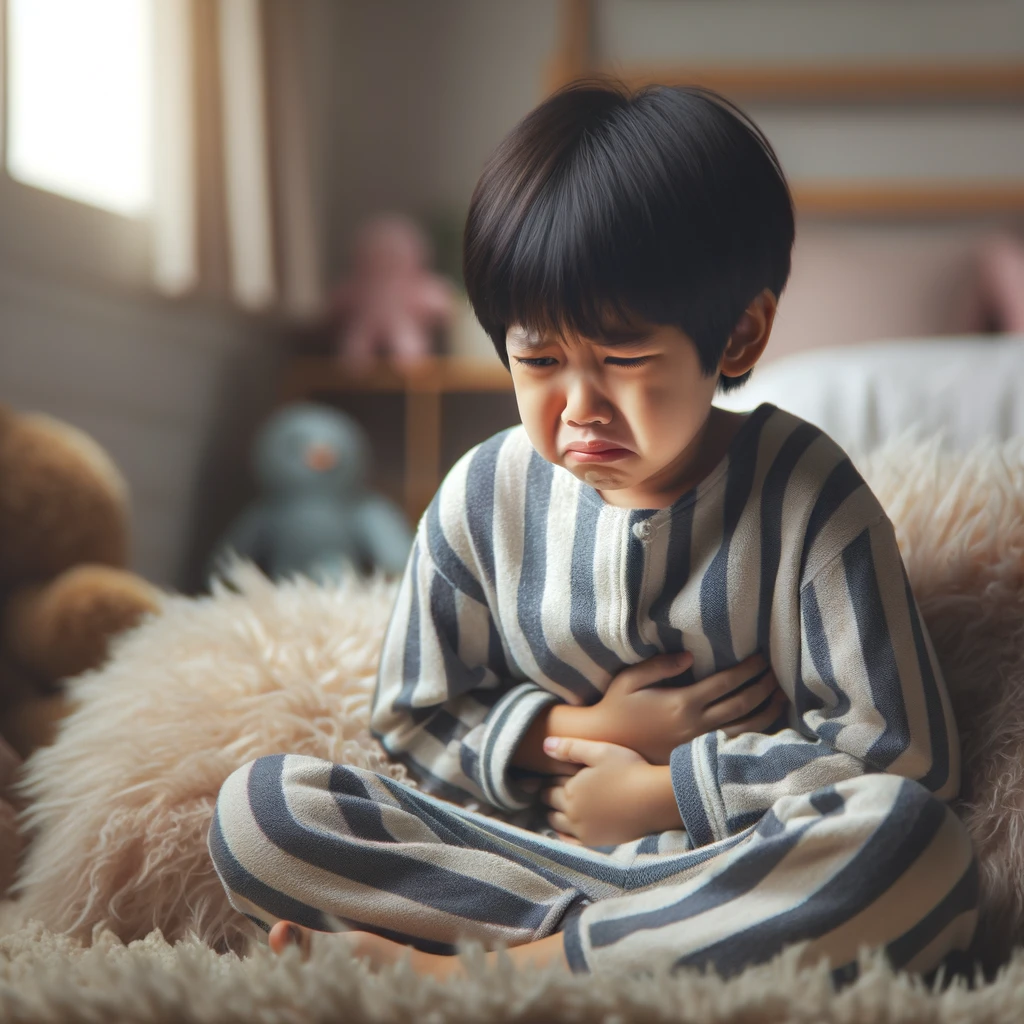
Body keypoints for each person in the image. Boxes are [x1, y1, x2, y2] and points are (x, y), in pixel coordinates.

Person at [208, 80, 977, 981]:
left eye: (623, 357)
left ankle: (480, 975)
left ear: (739, 335)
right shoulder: (482, 494)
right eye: (537, 359)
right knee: (262, 811)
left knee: (913, 842)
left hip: (732, 862)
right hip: (527, 864)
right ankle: (628, 953)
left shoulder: (807, 495)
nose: (579, 407)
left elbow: (902, 759)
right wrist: (578, 730)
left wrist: (664, 790)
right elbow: (415, 720)